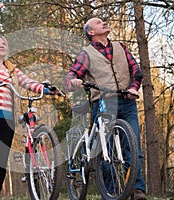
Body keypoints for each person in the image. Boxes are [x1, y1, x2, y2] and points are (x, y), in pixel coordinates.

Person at [0, 4, 55, 200]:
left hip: (7, 120)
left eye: (4, 43)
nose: (1, 45)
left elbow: (28, 82)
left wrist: (47, 89)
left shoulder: (12, 69)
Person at [65, 18, 146, 200]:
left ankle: (137, 190)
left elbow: (136, 70)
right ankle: (112, 191)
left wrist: (134, 87)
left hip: (126, 101)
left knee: (133, 149)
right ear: (91, 32)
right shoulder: (86, 54)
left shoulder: (120, 47)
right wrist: (74, 81)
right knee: (105, 151)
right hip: (103, 103)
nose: (104, 23)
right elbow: (72, 75)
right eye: (99, 22)